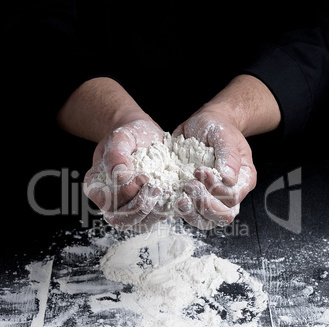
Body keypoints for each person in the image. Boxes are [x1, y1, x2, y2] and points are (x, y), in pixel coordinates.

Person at [4, 2, 329, 235]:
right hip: (76, 164)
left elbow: (314, 34)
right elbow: (34, 32)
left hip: (281, 180)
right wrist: (119, 117)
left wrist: (229, 114)